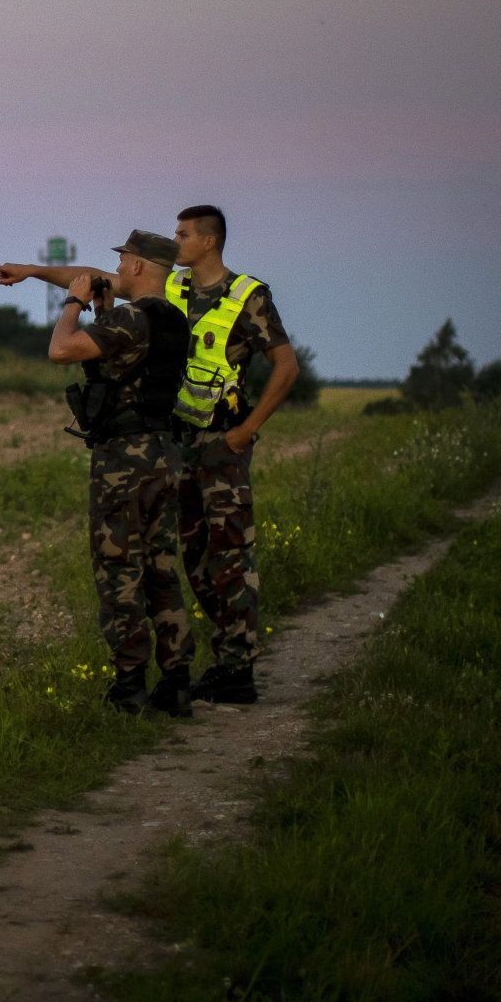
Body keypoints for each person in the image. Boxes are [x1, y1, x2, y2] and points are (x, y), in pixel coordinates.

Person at [14, 231, 195, 718]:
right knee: (161, 568)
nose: (119, 267)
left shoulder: (130, 318)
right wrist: (40, 275)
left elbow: (62, 350)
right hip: (164, 452)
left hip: (124, 460)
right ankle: (177, 680)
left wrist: (73, 303)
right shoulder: (172, 319)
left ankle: (129, 686)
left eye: (124, 260)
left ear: (135, 267)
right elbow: (129, 366)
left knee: (118, 568)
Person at [165, 204, 300, 704]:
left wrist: (247, 430)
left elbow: (285, 366)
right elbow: (105, 277)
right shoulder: (172, 288)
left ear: (208, 241)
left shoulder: (248, 295)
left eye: (181, 234)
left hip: (223, 445)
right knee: (196, 556)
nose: (174, 241)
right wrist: (33, 272)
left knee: (231, 555)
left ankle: (238, 671)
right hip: (180, 444)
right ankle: (229, 660)